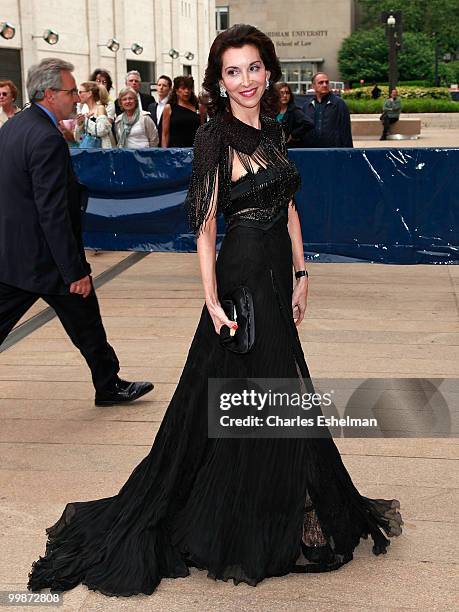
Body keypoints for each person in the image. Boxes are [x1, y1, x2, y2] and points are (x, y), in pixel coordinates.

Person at [28, 29, 402, 597]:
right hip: (243, 279)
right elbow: (203, 226)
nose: (246, 81)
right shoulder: (213, 137)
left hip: (278, 275)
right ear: (218, 80)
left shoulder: (272, 129)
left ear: (268, 72)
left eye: (254, 68)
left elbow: (289, 205)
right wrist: (211, 297)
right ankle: (250, 514)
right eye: (233, 72)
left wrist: (303, 273)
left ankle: (274, 494)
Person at [0, 58, 153, 407]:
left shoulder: (13, 127)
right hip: (46, 259)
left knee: (85, 321)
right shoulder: (45, 138)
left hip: (14, 255)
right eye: (70, 92)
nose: (76, 97)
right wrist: (76, 271)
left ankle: (108, 383)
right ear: (50, 93)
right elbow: (53, 212)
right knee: (85, 315)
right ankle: (109, 385)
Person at [302, 72, 353, 148]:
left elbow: (346, 130)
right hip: (312, 151)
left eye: (327, 82)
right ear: (313, 86)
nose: (325, 85)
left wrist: (349, 153)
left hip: (334, 151)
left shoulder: (339, 103)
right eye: (321, 82)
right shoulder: (307, 106)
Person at [161, 75, 201, 147]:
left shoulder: (198, 107)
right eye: (183, 88)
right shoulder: (169, 108)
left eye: (189, 88)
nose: (186, 91)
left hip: (195, 150)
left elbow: (202, 131)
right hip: (175, 152)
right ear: (176, 91)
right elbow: (165, 134)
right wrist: (165, 153)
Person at [74, 81, 116, 148]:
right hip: (90, 152)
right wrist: (79, 124)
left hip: (102, 153)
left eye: (80, 92)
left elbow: (101, 131)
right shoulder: (85, 111)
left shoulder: (100, 108)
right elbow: (78, 139)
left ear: (89, 93)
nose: (78, 95)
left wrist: (86, 120)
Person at [275, 82, 313, 147]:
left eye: (287, 93)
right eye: (282, 93)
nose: (285, 95)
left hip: (289, 149)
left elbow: (309, 123)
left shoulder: (294, 111)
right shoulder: (271, 111)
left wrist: (293, 135)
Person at [146, 75, 172, 146]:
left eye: (164, 85)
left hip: (169, 144)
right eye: (159, 85)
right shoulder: (151, 106)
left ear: (169, 89)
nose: (161, 88)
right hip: (154, 144)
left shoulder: (172, 106)